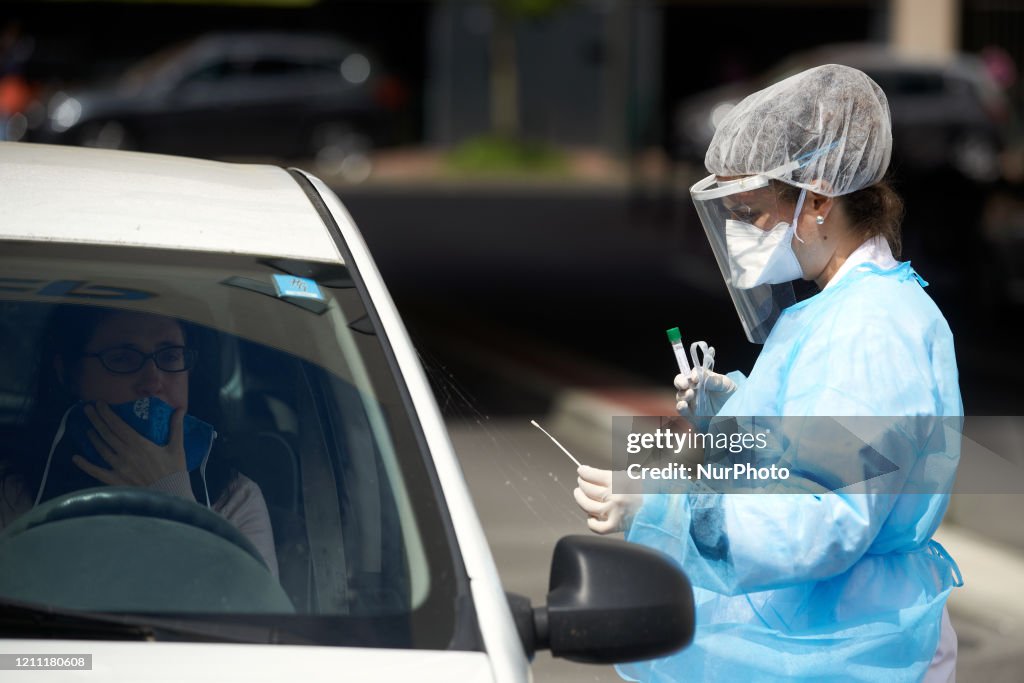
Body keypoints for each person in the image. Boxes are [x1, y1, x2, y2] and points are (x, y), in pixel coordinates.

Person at [574, 64, 962, 682]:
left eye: (752, 212)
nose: (739, 234)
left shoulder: (870, 328)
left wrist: (665, 510)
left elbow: (824, 513)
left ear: (821, 200)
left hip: (840, 645)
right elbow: (810, 446)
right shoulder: (842, 305)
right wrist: (733, 410)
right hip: (814, 630)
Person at [0, 305, 279, 577]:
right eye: (123, 358)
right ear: (69, 374)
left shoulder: (234, 498)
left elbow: (246, 617)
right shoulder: (13, 494)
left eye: (170, 357)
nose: (152, 381)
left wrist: (173, 494)